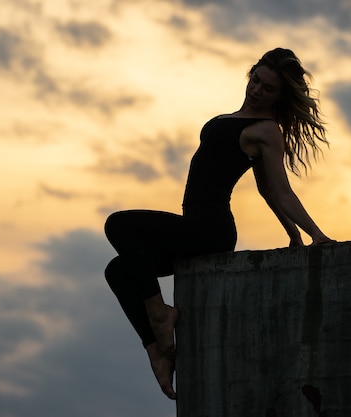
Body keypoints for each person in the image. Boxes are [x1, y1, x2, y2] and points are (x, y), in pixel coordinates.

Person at [104, 48, 334, 400]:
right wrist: (291, 235)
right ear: (251, 72)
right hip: (192, 228)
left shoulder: (267, 130)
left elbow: (278, 188)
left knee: (119, 225)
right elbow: (264, 190)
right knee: (119, 271)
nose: (257, 89)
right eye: (256, 79)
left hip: (209, 232)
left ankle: (161, 315)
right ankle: (157, 353)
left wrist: (314, 233)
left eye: (268, 88)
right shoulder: (238, 119)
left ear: (280, 96)